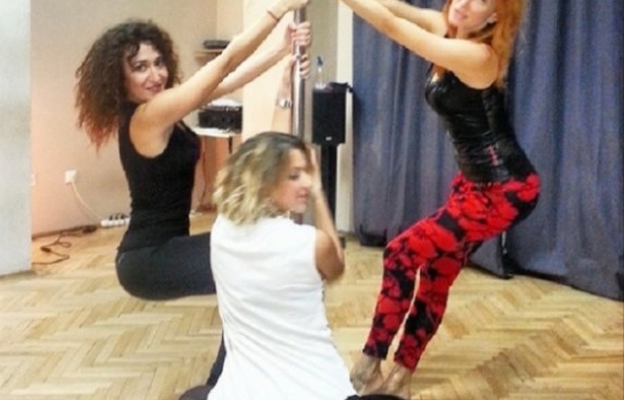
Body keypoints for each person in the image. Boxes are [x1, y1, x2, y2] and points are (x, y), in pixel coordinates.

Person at [73, 1, 311, 397]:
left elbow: (227, 82)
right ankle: (224, 386)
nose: (155, 74)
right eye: (140, 67)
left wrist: (281, 53)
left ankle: (227, 384)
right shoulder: (146, 116)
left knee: (254, 277)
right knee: (255, 267)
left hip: (166, 247)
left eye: (158, 63)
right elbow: (225, 62)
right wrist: (279, 10)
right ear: (120, 78)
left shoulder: (164, 108)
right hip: (147, 259)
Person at [336, 0, 541, 398]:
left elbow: (392, 27)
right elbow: (397, 10)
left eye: (480, 0)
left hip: (505, 190)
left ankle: (369, 366)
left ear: (493, 16)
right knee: (436, 274)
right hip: (474, 185)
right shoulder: (445, 27)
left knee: (400, 254)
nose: (463, 3)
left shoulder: (478, 56)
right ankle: (401, 378)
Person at [207, 54, 405, 400]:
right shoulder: (310, 243)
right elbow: (337, 266)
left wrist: (285, 93)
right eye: (295, 176)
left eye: (306, 174)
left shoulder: (222, 230)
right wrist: (318, 195)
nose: (304, 182)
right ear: (266, 180)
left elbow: (267, 152)